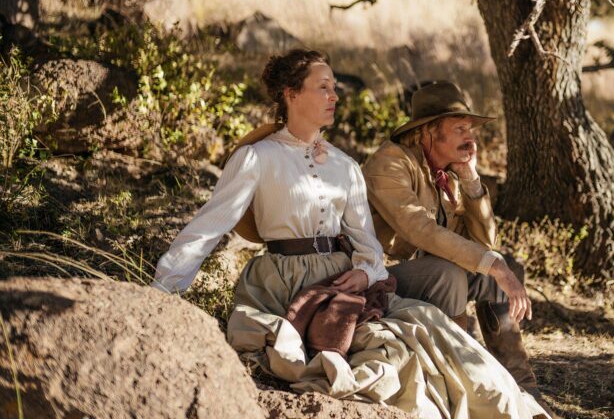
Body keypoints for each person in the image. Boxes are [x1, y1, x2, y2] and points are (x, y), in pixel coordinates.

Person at [151, 49, 549, 418]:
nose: (334, 96)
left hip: (346, 280)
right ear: (291, 94)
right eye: (322, 87)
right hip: (283, 279)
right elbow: (208, 227)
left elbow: (367, 245)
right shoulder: (257, 157)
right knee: (395, 348)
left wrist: (365, 272)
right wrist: (161, 294)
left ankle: (514, 399)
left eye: (335, 88)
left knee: (430, 327)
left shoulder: (344, 165)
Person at [362, 81, 557, 417]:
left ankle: (521, 385)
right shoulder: (390, 163)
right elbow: (420, 231)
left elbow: (486, 245)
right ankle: (463, 378)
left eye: (471, 128)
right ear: (428, 132)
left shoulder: (448, 173)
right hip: (382, 282)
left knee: (506, 266)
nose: (471, 138)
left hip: (435, 278)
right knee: (454, 273)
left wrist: (470, 180)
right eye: (460, 128)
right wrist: (492, 264)